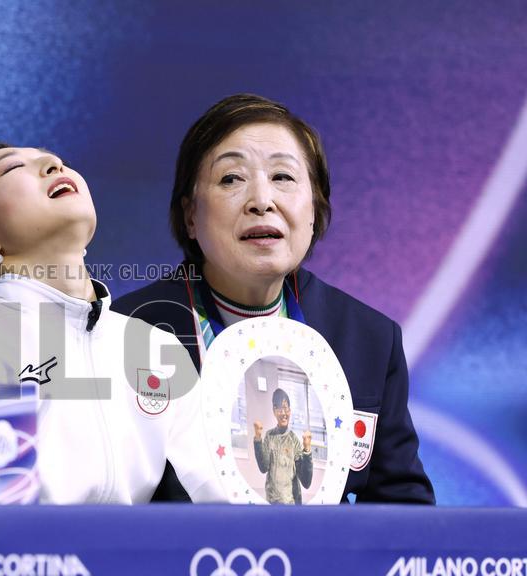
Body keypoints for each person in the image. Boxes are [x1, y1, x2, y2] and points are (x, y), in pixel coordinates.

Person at [112, 93, 434, 504]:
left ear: (314, 208)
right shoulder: (128, 332)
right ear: (191, 216)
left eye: (283, 177)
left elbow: (402, 508)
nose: (262, 200)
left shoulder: (369, 338)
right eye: (231, 179)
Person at [0, 143, 223, 504]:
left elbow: (219, 504)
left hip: (140, 559)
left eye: (60, 161)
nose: (52, 163)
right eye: (12, 168)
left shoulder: (156, 349)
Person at [253, 388, 313, 504]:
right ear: (274, 411)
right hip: (272, 503)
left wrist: (307, 450)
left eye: (286, 408)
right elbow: (263, 467)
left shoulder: (294, 440)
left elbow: (306, 482)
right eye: (280, 409)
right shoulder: (269, 436)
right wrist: (257, 438)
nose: (283, 413)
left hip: (291, 505)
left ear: (290, 411)